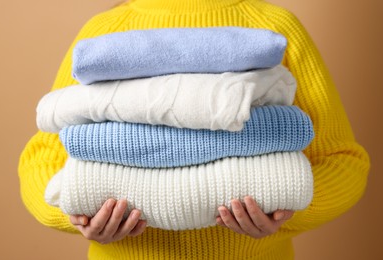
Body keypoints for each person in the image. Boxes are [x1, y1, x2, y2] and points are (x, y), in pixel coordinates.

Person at [18, 0, 370, 259]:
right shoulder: (103, 34)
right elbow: (45, 157)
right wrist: (75, 212)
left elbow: (341, 159)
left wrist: (286, 206)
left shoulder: (274, 30)